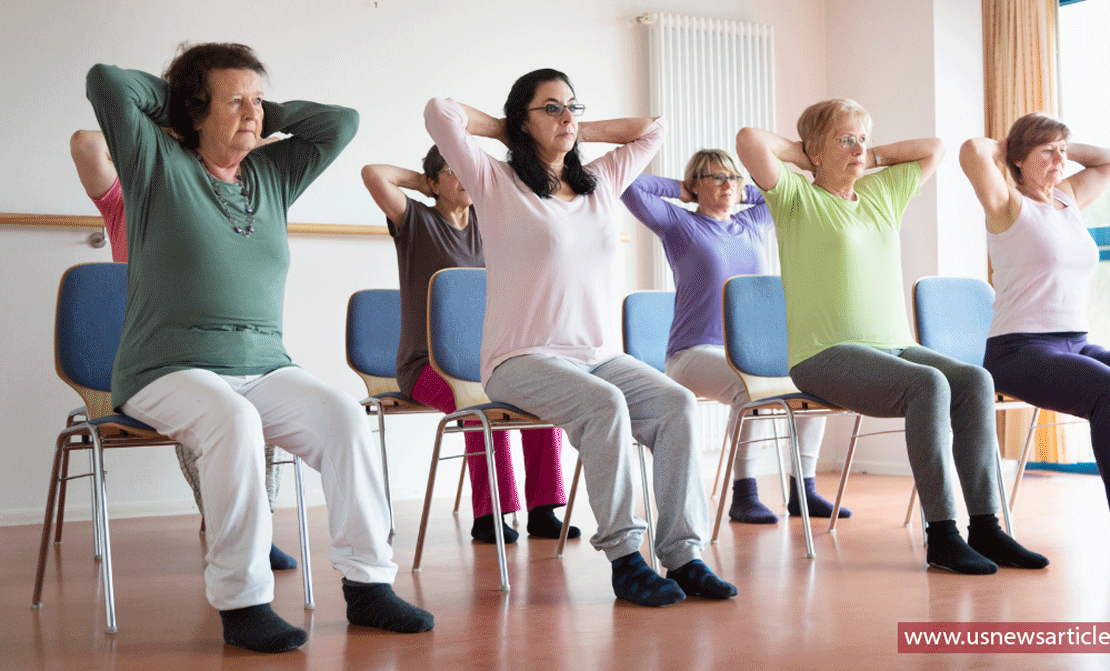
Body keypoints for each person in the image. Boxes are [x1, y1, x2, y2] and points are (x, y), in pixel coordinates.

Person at [85, 43, 433, 653]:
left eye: (259, 100)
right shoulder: (155, 163)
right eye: (235, 102)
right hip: (164, 369)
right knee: (234, 420)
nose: (253, 113)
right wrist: (182, 105)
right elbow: (107, 82)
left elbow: (341, 122)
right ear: (195, 110)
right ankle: (243, 602)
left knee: (344, 417)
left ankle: (369, 586)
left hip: (265, 365)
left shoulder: (272, 174)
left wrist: (258, 112)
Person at [424, 68, 736, 606]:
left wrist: (569, 128)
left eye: (573, 106)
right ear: (523, 119)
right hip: (519, 359)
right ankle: (625, 559)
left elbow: (653, 129)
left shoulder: (599, 181)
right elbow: (440, 112)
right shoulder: (495, 181)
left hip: (597, 355)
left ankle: (683, 556)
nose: (567, 115)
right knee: (604, 403)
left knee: (677, 404)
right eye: (551, 107)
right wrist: (508, 128)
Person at [736, 98, 1048, 575]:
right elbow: (749, 140)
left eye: (863, 138)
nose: (858, 148)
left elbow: (934, 148)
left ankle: (986, 527)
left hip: (896, 346)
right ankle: (942, 535)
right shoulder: (795, 197)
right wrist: (806, 156)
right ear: (815, 151)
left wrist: (868, 154)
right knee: (928, 384)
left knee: (975, 381)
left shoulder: (881, 192)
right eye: (845, 139)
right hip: (823, 354)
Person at [961, 113, 1110, 555]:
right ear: (1018, 159)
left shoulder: (1067, 199)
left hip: (1076, 343)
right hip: (1018, 351)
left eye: (1063, 151)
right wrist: (1014, 145)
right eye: (1047, 152)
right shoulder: (1007, 204)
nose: (1059, 160)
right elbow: (973, 151)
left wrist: (1057, 145)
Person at [70, 129, 297, 572]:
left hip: (222, 348)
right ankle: (240, 531)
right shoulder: (129, 198)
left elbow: (268, 151)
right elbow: (86, 144)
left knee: (258, 407)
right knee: (208, 406)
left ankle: (256, 527)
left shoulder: (225, 200)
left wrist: (228, 138)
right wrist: (175, 133)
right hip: (152, 356)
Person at [361, 148, 579, 544]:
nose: (463, 177)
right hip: (425, 366)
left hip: (488, 362)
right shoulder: (416, 221)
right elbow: (374, 173)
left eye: (467, 170)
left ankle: (543, 509)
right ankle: (490, 514)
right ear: (434, 182)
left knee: (538, 398)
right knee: (479, 409)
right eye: (452, 171)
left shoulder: (488, 222)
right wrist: (423, 182)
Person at [620, 151, 849, 524]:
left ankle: (803, 491)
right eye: (716, 178)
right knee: (749, 388)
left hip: (751, 352)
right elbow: (629, 184)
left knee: (814, 381)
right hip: (692, 354)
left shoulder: (753, 223)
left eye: (734, 177)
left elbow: (783, 189)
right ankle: (744, 495)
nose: (728, 184)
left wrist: (741, 190)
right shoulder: (680, 225)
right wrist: (683, 190)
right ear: (697, 184)